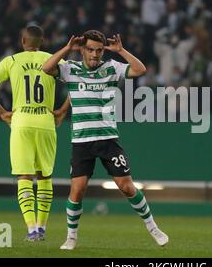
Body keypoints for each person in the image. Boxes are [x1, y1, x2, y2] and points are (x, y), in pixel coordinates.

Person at [42, 29, 169, 250]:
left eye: (99, 50)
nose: (94, 54)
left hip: (108, 139)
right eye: (90, 49)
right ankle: (71, 237)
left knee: (127, 187)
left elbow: (140, 69)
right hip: (82, 141)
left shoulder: (112, 68)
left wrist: (121, 51)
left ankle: (153, 228)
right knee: (77, 190)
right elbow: (46, 68)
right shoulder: (70, 69)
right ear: (82, 49)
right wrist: (67, 48)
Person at [0, 25, 69, 241]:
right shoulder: (54, 59)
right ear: (42, 42)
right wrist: (63, 111)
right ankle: (42, 227)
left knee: (24, 176)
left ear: (23, 42)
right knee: (44, 176)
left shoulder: (12, 61)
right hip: (46, 121)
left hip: (21, 122)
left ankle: (31, 230)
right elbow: (80, 82)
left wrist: (2, 112)